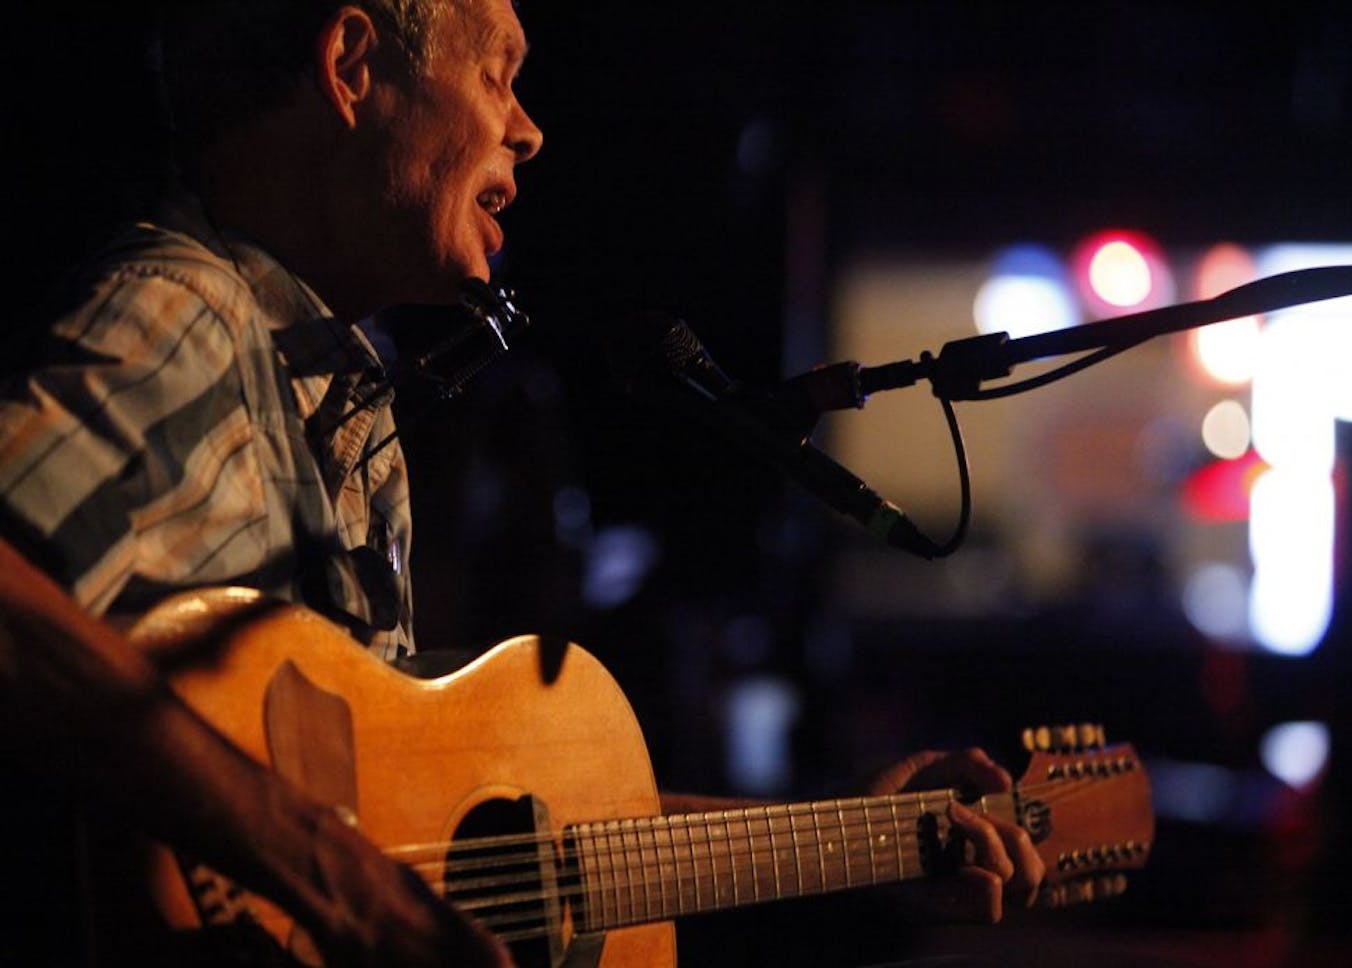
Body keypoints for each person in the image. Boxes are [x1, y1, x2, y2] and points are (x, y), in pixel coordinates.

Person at [0, 1, 1044, 964]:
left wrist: (850, 833)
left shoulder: (339, 396)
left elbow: (443, 841)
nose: (529, 131)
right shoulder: (183, 314)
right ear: (352, 68)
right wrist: (331, 877)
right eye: (497, 75)